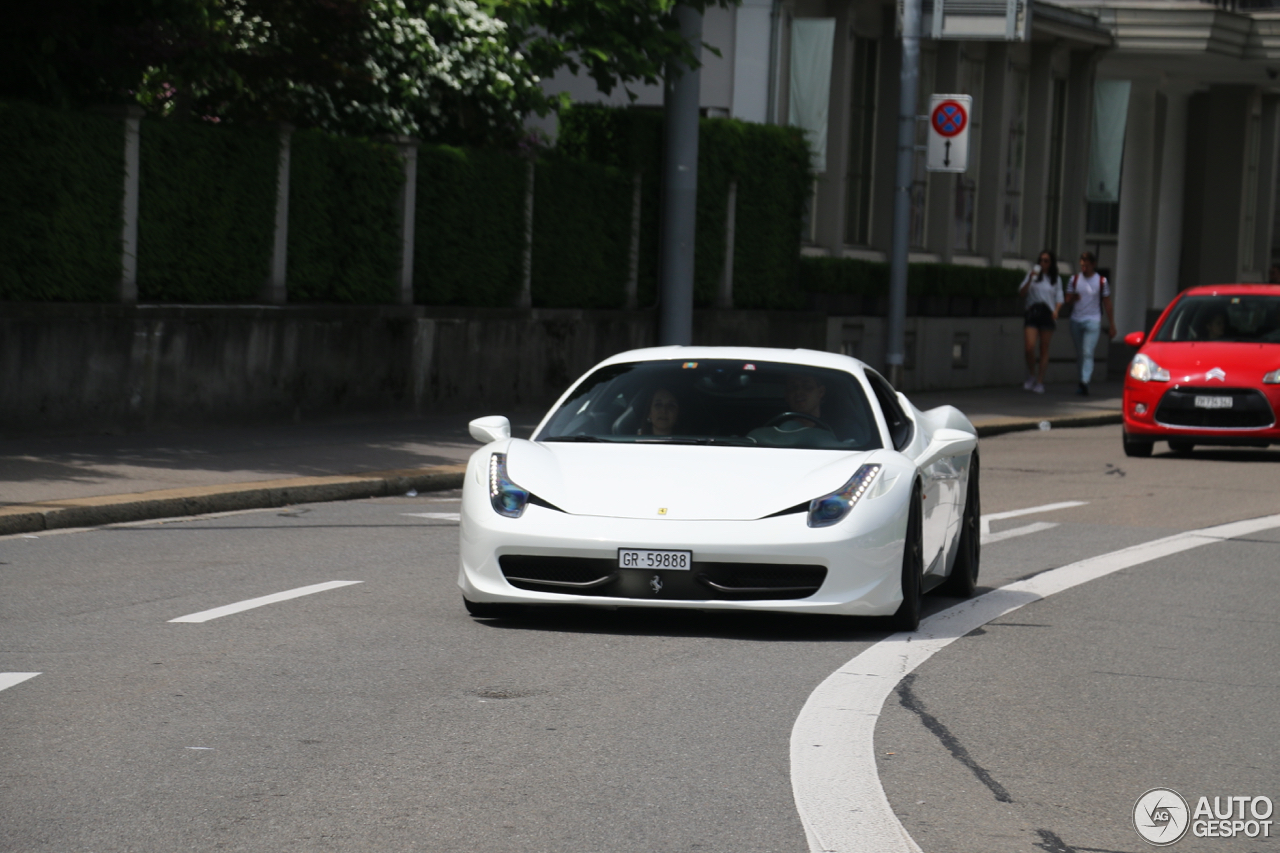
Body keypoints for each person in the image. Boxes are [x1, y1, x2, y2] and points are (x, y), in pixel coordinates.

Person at [1064, 251, 1116, 396]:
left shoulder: (1101, 281)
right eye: (1082, 265)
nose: (1084, 268)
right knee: (1080, 353)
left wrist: (1112, 324)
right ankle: (1082, 379)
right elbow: (1067, 300)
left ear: (1093, 265)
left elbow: (1107, 303)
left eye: (1087, 265)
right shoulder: (1074, 280)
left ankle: (1084, 382)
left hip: (1093, 321)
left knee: (1088, 352)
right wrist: (1073, 298)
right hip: (1076, 320)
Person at [1018, 249, 1064, 394]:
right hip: (1033, 311)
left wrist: (1056, 311)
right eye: (1041, 260)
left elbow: (1059, 298)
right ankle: (1031, 374)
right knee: (1029, 347)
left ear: (1051, 263)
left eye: (1046, 261)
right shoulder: (1032, 276)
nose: (1042, 263)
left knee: (1044, 348)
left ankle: (1040, 381)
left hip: (1047, 312)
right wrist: (1030, 278)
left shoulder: (1055, 279)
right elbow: (1021, 292)